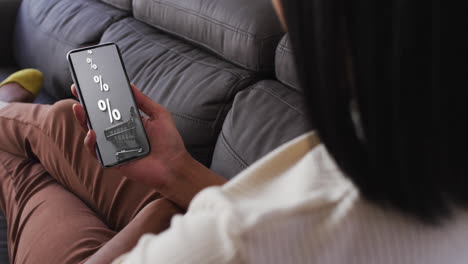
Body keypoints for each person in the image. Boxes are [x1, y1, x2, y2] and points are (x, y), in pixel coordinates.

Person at [1, 0, 457, 263]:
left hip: (179, 230)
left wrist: (167, 219)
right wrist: (178, 171)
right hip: (191, 204)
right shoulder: (391, 146)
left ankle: (7, 105)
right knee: (62, 120)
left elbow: (262, 226)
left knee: (20, 172)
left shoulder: (236, 239)